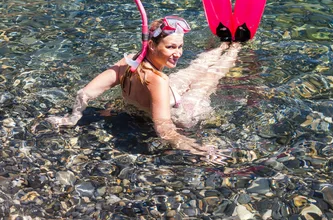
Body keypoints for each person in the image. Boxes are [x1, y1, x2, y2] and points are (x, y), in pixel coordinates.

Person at [48, 16, 240, 163]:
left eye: (180, 46)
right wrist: (201, 150)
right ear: (152, 45)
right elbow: (165, 130)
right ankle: (234, 46)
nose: (178, 53)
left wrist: (71, 118)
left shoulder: (128, 61)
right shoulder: (157, 81)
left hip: (158, 95)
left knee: (192, 70)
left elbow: (84, 93)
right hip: (183, 112)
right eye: (171, 47)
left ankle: (224, 45)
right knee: (210, 76)